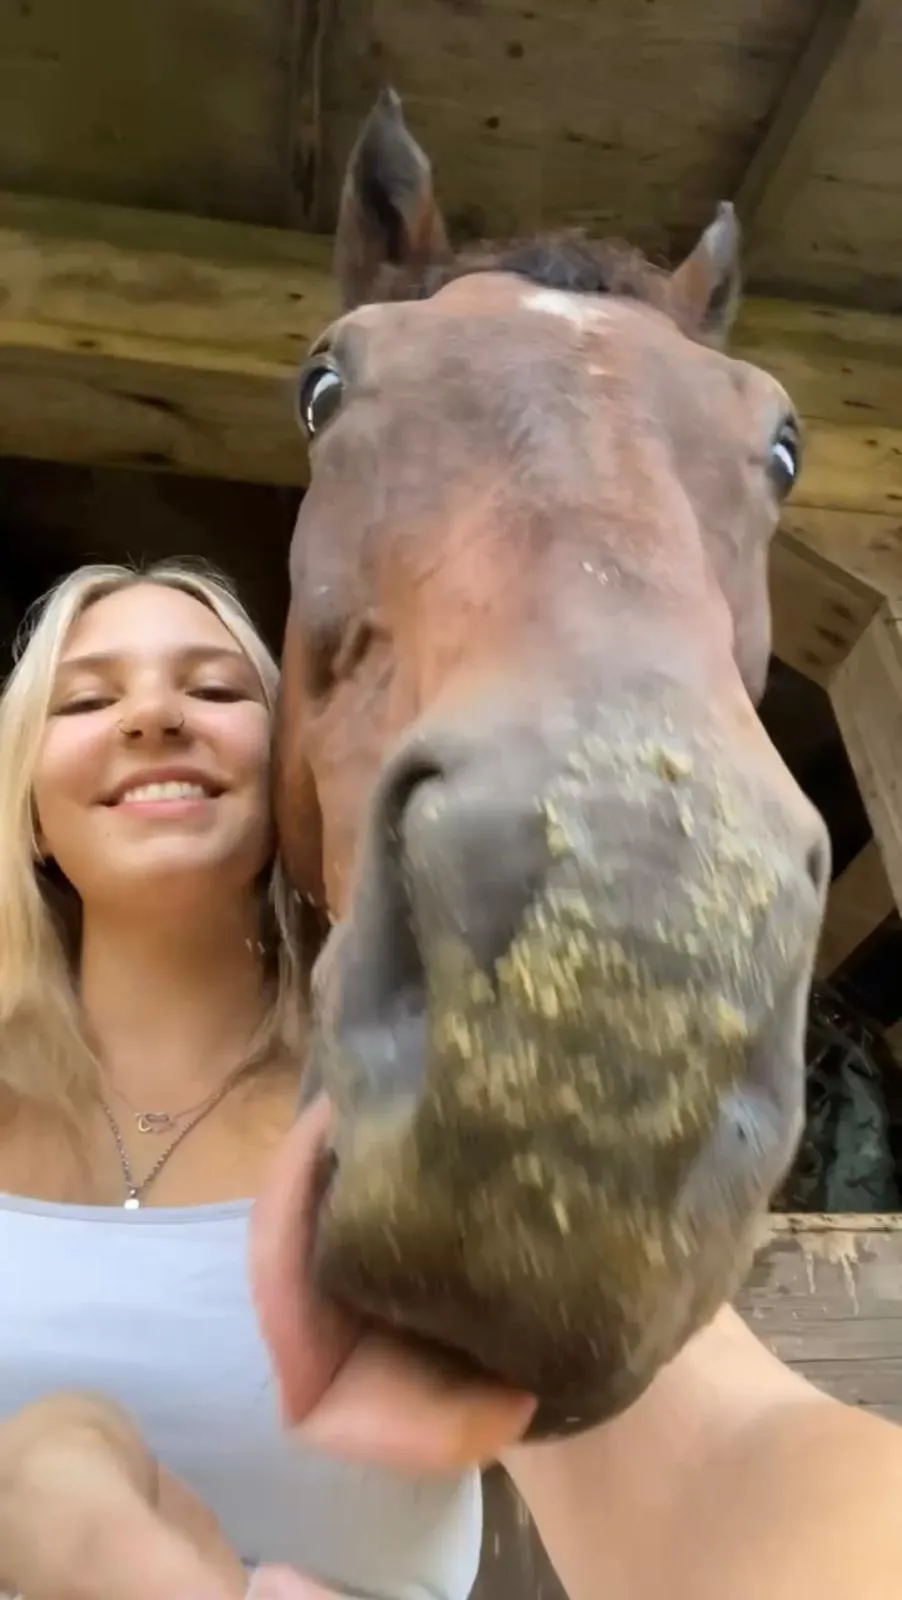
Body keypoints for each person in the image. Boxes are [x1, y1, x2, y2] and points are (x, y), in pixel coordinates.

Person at [2, 562, 902, 1600]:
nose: (153, 715)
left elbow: (728, 1451)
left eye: (213, 689)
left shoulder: (435, 1105)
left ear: (292, 775)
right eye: (87, 698)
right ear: (25, 804)